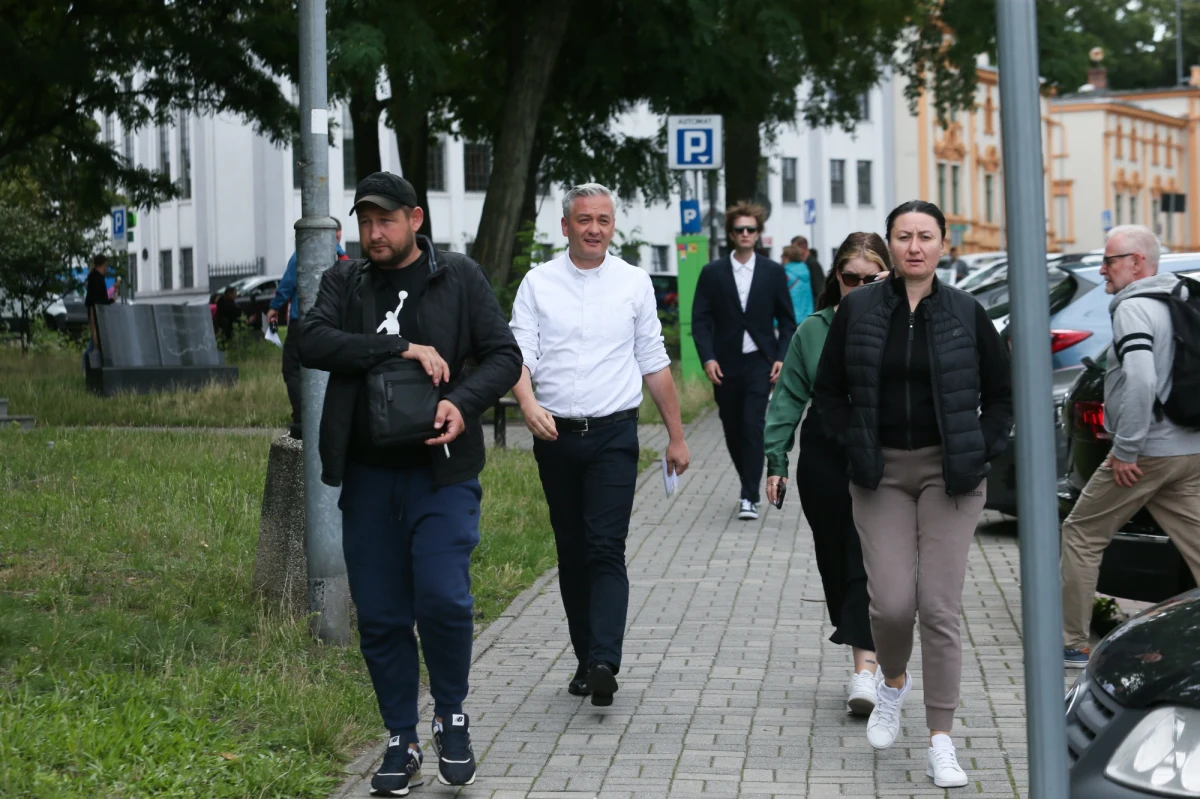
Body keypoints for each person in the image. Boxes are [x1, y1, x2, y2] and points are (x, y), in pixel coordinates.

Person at [299, 171, 522, 795]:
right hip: (369, 478)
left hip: (441, 473)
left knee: (445, 600)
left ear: (415, 220)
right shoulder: (344, 281)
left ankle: (452, 714)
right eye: (365, 222)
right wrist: (400, 348)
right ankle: (401, 737)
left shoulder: (458, 277)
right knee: (384, 615)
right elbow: (309, 341)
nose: (374, 233)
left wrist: (462, 402)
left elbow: (504, 355)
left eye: (385, 221)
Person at [812, 200, 1012, 789]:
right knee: (893, 604)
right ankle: (892, 682)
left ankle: (941, 739)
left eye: (926, 236)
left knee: (940, 607)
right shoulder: (861, 311)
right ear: (891, 246)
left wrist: (981, 446)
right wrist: (855, 445)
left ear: (943, 245)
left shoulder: (967, 313)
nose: (915, 246)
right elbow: (829, 394)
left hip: (951, 474)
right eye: (904, 236)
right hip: (880, 475)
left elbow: (1001, 396)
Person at [510, 182, 691, 707]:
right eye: (583, 219)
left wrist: (677, 437)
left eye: (603, 220)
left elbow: (653, 360)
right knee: (571, 551)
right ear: (564, 226)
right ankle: (585, 657)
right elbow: (519, 353)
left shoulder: (634, 283)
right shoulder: (538, 284)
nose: (593, 229)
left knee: (605, 547)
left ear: (613, 227)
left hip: (615, 435)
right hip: (555, 435)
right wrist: (527, 403)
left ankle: (604, 661)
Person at [1061, 224, 1200, 669]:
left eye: (1109, 260)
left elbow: (1140, 378)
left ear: (1137, 263)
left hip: (1148, 453)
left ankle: (1072, 643)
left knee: (1081, 533)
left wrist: (1125, 449)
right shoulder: (1182, 298)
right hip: (1188, 448)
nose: (1102, 269)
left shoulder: (1134, 308)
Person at [764, 232, 890, 718]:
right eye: (849, 278)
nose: (857, 287)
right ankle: (860, 644)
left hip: (882, 451)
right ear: (835, 277)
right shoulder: (813, 329)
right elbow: (789, 398)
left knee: (868, 557)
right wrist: (776, 460)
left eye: (868, 278)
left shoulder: (900, 321)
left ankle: (866, 668)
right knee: (835, 557)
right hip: (824, 452)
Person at [693, 202, 796, 521]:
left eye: (751, 229)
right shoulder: (712, 272)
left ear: (758, 233)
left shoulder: (773, 272)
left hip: (759, 362)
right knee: (733, 428)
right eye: (740, 230)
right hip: (725, 364)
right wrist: (708, 357)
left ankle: (749, 495)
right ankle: (747, 482)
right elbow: (700, 320)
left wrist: (781, 358)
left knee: (753, 426)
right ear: (730, 234)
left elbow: (788, 321)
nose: (746, 234)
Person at [268, 218, 349, 439]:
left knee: (292, 369)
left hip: (302, 322)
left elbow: (287, 285)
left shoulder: (303, 254)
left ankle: (302, 419)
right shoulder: (344, 259)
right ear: (337, 234)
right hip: (335, 324)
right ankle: (326, 415)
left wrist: (274, 307)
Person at [83, 255, 117, 369]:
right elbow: (97, 301)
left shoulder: (94, 278)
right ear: (103, 265)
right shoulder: (96, 279)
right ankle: (86, 366)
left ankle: (89, 367)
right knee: (94, 343)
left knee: (94, 343)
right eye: (106, 266)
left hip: (97, 314)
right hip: (96, 316)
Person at [780, 244, 814, 321]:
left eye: (782, 255)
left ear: (788, 257)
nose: (781, 257)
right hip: (806, 316)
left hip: (790, 317)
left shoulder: (785, 273)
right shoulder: (804, 270)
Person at [792, 234, 825, 308]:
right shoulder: (805, 263)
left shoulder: (812, 263)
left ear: (803, 247)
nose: (793, 252)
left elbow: (819, 289)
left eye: (794, 248)